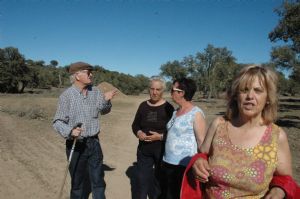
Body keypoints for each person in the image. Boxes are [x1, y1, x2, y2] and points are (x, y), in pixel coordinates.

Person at [182, 65, 299, 199]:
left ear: (268, 98)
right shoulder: (219, 125)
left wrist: (279, 190)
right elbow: (202, 154)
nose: (250, 96)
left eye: (258, 90)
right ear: (236, 96)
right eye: (244, 90)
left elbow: (285, 179)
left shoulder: (277, 136)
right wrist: (197, 162)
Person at [53, 61, 117, 199]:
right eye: (88, 72)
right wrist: (70, 131)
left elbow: (104, 111)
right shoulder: (66, 96)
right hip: (76, 145)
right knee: (77, 184)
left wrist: (106, 100)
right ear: (77, 75)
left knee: (98, 181)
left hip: (94, 143)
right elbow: (57, 122)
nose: (91, 75)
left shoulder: (95, 92)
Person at [159, 78, 206, 199]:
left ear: (182, 93)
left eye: (172, 89)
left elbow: (202, 142)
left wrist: (203, 165)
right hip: (167, 162)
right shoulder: (176, 112)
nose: (171, 92)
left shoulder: (196, 113)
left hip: (184, 167)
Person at [131, 76, 174, 199]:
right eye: (152, 89)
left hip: (162, 150)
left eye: (158, 89)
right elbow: (135, 124)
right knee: (141, 180)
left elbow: (173, 132)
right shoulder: (143, 106)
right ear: (149, 89)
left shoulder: (168, 108)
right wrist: (139, 133)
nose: (154, 92)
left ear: (163, 91)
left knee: (159, 181)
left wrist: (159, 137)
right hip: (144, 150)